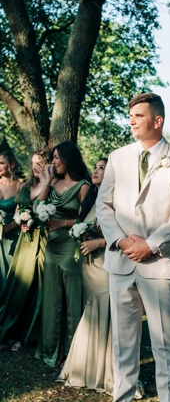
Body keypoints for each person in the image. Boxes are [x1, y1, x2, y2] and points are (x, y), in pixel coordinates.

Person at [96, 92, 170, 402]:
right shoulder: (117, 157)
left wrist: (151, 243)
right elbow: (103, 205)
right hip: (122, 261)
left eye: (138, 116)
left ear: (158, 121)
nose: (131, 121)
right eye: (130, 116)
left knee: (165, 342)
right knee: (123, 339)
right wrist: (123, 240)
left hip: (161, 263)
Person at [59, 157, 113, 392]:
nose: (96, 170)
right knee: (88, 313)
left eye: (103, 168)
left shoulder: (115, 201)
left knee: (103, 310)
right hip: (87, 264)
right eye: (96, 167)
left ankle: (104, 372)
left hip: (103, 263)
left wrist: (97, 243)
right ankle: (86, 368)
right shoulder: (91, 199)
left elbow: (123, 235)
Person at [37, 141, 91, 368]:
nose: (54, 161)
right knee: (51, 297)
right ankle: (52, 350)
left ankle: (73, 352)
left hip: (70, 246)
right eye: (53, 157)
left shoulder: (83, 185)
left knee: (71, 299)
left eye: (57, 157)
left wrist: (61, 223)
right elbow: (38, 207)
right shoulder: (54, 182)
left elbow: (86, 219)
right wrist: (47, 183)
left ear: (69, 158)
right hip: (52, 247)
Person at [0, 149, 53, 352]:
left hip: (44, 239)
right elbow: (20, 210)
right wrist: (21, 220)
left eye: (39, 163)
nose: (35, 167)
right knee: (20, 287)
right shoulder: (28, 186)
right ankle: (15, 333)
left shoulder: (52, 185)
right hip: (24, 241)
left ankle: (32, 335)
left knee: (38, 287)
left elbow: (43, 206)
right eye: (33, 163)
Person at [0, 151, 23, 281]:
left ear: (12, 164)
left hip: (14, 234)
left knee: (11, 273)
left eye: (1, 163)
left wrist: (8, 228)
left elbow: (24, 212)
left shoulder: (21, 186)